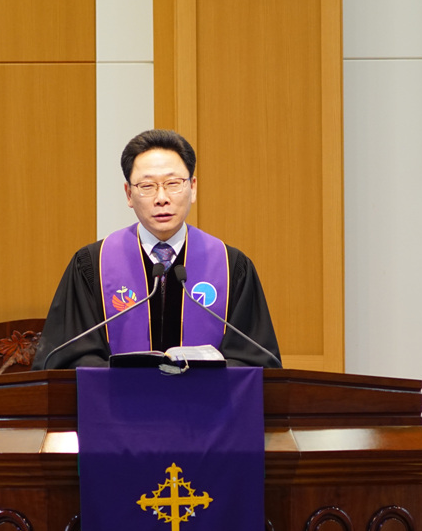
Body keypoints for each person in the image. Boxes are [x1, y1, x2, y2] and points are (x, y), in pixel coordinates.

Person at [32, 129, 281, 370]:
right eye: (147, 186)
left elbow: (255, 360)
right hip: (122, 398)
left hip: (205, 398)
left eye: (173, 183)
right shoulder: (92, 265)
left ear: (193, 188)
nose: (162, 198)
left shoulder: (230, 266)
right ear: (129, 194)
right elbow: (67, 358)